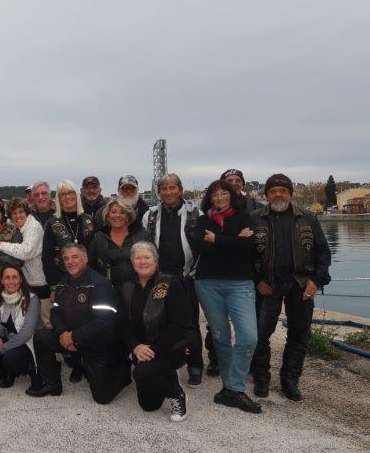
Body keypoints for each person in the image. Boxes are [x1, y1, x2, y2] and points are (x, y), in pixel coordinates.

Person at [251, 174, 331, 402]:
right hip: (268, 285)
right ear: (267, 195)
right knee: (259, 334)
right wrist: (257, 280)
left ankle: (290, 380)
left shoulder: (307, 217)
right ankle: (261, 378)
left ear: (290, 194)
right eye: (273, 191)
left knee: (299, 335)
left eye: (283, 191)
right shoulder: (255, 219)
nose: (278, 194)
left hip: (301, 285)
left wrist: (316, 281)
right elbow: (245, 255)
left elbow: (323, 253)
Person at [27, 243, 130, 403]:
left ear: (85, 259)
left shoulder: (100, 283)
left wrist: (73, 336)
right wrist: (63, 333)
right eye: (66, 258)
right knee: (42, 337)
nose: (70, 261)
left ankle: (123, 370)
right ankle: (52, 384)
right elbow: (55, 313)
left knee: (102, 398)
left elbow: (103, 322)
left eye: (75, 257)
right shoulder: (63, 284)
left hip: (98, 342)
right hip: (71, 337)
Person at [194, 180, 261, 414]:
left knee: (249, 336)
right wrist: (235, 240)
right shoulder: (203, 221)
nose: (220, 197)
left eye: (224, 193)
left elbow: (249, 247)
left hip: (240, 283)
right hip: (207, 283)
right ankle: (230, 388)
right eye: (215, 194)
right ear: (209, 198)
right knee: (220, 336)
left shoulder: (245, 218)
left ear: (232, 195)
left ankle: (234, 386)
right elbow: (201, 248)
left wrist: (218, 240)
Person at [142, 173, 204, 386]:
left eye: (172, 188)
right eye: (164, 189)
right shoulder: (150, 215)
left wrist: (193, 270)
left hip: (185, 276)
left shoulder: (195, 213)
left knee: (190, 323)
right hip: (159, 277)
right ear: (159, 192)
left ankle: (195, 365)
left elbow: (202, 245)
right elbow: (146, 245)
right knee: (158, 321)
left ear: (180, 189)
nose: (168, 192)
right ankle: (163, 362)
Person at [117, 242, 190, 422]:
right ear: (132, 262)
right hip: (141, 350)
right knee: (148, 405)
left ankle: (176, 394)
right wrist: (135, 346)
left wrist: (153, 350)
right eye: (138, 258)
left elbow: (179, 325)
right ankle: (167, 376)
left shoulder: (171, 283)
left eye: (147, 257)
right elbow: (122, 323)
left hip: (170, 348)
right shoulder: (126, 287)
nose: (143, 262)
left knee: (141, 373)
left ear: (156, 261)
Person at [0, 198, 50, 333]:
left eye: (20, 212)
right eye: (14, 213)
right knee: (28, 323)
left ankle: (48, 346)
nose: (18, 216)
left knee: (44, 322)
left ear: (27, 212)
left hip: (40, 282)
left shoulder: (33, 227)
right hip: (26, 283)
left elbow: (26, 251)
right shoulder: (16, 224)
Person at [42, 180, 96, 294]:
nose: (67, 196)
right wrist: (54, 286)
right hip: (62, 280)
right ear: (59, 198)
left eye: (71, 192)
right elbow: (47, 257)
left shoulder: (89, 221)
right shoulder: (52, 223)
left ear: (77, 195)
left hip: (88, 279)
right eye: (63, 194)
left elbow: (94, 252)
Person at [89, 199, 148, 290]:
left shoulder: (141, 235)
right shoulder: (99, 238)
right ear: (107, 216)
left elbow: (152, 260)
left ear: (128, 217)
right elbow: (91, 266)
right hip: (109, 289)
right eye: (113, 212)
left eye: (122, 212)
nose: (117, 215)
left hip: (139, 288)